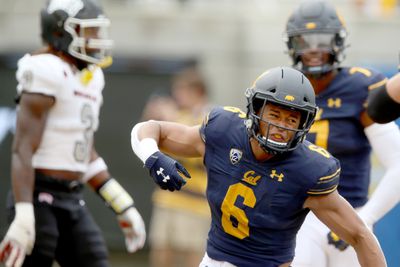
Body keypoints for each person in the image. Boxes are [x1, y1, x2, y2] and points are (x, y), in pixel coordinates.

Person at [131, 66, 386, 267]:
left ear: (304, 124)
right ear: (255, 110)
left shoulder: (309, 170)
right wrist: (152, 155)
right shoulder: (223, 131)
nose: (281, 127)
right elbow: (151, 129)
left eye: (291, 118)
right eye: (274, 115)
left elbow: (361, 236)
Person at [0, 0, 146, 266]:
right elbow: (22, 147)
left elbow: (82, 152)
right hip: (37, 195)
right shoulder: (45, 68)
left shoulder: (90, 76)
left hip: (71, 198)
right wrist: (24, 212)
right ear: (60, 31)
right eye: (88, 31)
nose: (97, 39)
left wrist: (122, 204)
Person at [283, 1, 400, 266]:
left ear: (337, 41)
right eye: (304, 40)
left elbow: (399, 164)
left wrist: (364, 219)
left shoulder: (360, 86)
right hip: (300, 216)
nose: (313, 48)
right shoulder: (281, 89)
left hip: (351, 212)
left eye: (321, 39)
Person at [142, 67, 212, 267]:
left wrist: (169, 119)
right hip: (167, 198)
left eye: (181, 91)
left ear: (197, 92)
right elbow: (150, 141)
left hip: (195, 204)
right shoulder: (178, 115)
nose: (177, 97)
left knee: (192, 257)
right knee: (161, 252)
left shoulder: (209, 116)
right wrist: (151, 119)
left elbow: (196, 147)